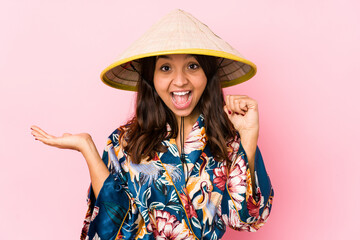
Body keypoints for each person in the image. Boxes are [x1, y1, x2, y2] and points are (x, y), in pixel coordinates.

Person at [31, 9, 273, 240]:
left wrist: (248, 137)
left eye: (192, 66)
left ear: (208, 75)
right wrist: (87, 148)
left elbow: (248, 220)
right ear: (151, 78)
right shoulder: (125, 141)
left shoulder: (227, 141)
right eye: (165, 68)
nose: (180, 81)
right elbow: (112, 226)